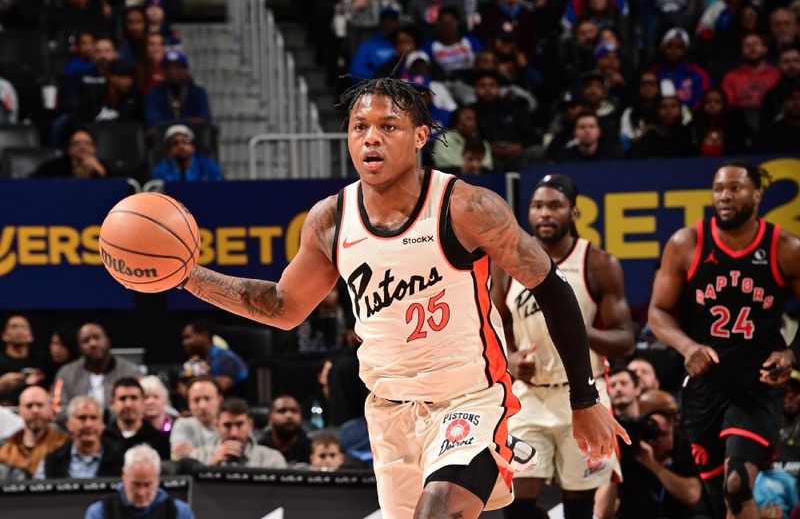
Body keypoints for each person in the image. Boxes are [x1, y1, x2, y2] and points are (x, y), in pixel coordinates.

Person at [176, 76, 626, 517]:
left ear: (418, 136)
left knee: (439, 509)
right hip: (390, 413)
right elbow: (282, 306)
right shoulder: (330, 220)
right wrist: (184, 276)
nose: (371, 138)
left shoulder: (466, 206)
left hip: (468, 400)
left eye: (387, 126)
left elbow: (552, 288)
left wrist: (584, 400)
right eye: (359, 127)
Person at [649, 161, 800, 519]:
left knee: (737, 485)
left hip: (757, 385)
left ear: (757, 194)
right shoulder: (686, 243)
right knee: (721, 502)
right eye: (719, 189)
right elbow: (658, 312)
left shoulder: (785, 247)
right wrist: (688, 347)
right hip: (704, 388)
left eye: (735, 188)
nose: (725, 196)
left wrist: (792, 354)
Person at [492, 174, 634, 519]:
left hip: (584, 396)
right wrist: (509, 359)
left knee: (579, 506)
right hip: (528, 396)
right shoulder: (508, 262)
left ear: (573, 212)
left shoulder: (598, 263)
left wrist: (574, 330)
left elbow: (625, 341)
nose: (545, 214)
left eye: (555, 206)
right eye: (538, 206)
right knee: (517, 503)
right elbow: (493, 324)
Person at [615, 389, 705, 519]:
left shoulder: (684, 446)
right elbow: (602, 512)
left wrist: (652, 465)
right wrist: (614, 465)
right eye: (651, 432)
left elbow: (692, 495)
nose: (656, 440)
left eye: (663, 434)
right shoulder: (631, 450)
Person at [84, 444, 195, 519]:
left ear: (158, 477)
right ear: (124, 475)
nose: (141, 492)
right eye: (135, 484)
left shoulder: (179, 512)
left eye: (148, 485)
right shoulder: (100, 512)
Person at [53, 323, 140, 411]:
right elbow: (56, 407)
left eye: (97, 338)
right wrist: (80, 416)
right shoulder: (65, 373)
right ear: (79, 348)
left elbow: (140, 405)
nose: (92, 343)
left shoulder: (131, 372)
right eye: (86, 341)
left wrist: (106, 416)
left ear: (108, 341)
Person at [36, 395, 123, 478]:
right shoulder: (51, 461)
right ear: (69, 423)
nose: (88, 424)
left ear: (102, 424)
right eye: (82, 418)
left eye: (94, 418)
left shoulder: (120, 461)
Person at [190, 398, 287, 469]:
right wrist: (212, 466)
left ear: (250, 424)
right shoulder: (198, 456)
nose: (234, 433)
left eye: (240, 424)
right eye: (227, 425)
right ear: (217, 426)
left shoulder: (272, 459)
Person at [0, 386, 70, 477]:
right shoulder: (6, 447)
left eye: (40, 405)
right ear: (19, 410)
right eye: (29, 406)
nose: (35, 410)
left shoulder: (66, 444)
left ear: (50, 409)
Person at [104, 377, 170, 459]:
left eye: (134, 398)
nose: (128, 404)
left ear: (142, 402)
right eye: (122, 398)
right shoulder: (103, 437)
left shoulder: (158, 440)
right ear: (112, 403)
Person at [144, 49, 211, 128]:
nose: (172, 71)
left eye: (177, 67)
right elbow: (152, 123)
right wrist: (187, 121)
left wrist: (173, 123)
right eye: (167, 67)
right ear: (163, 71)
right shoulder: (154, 94)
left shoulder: (198, 92)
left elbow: (204, 119)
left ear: (185, 70)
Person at [180, 319, 247, 392]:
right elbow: (181, 385)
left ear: (204, 335)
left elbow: (222, 386)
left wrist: (191, 386)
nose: (184, 342)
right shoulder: (195, 360)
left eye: (188, 337)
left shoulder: (226, 357)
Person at [170, 376, 222, 460]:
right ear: (189, 404)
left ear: (219, 399)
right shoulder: (182, 424)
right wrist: (217, 453)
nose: (202, 406)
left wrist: (193, 452)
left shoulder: (230, 424)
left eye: (207, 398)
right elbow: (180, 460)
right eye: (196, 400)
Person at [152, 124, 223, 183]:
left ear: (193, 147)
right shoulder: (160, 171)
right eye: (175, 143)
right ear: (169, 151)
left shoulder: (210, 167)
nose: (181, 146)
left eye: (185, 142)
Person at [0, 315, 45, 405]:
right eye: (14, 326)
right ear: (4, 335)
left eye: (24, 326)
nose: (19, 330)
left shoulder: (41, 362)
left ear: (31, 336)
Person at [32, 129, 110, 179]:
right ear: (69, 149)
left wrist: (102, 172)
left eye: (87, 143)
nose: (82, 147)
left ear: (94, 148)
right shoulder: (54, 167)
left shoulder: (102, 167)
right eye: (77, 143)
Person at [259, 395, 312, 465]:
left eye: (294, 411)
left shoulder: (311, 448)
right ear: (270, 417)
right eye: (282, 411)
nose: (289, 415)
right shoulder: (259, 448)